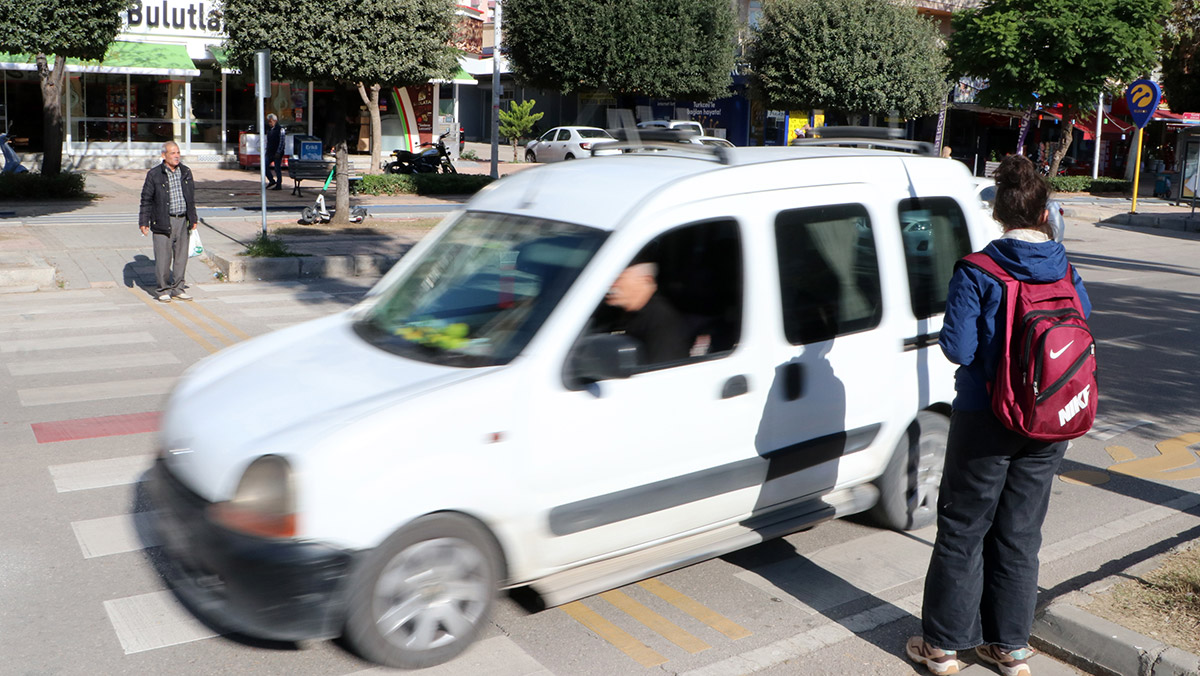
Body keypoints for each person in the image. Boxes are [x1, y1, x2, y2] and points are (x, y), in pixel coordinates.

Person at [906, 154, 1091, 676]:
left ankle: (942, 648)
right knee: (1019, 533)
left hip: (988, 417)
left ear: (999, 213)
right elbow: (1082, 323)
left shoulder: (979, 269)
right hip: (1051, 418)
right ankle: (1009, 648)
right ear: (1044, 214)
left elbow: (960, 349)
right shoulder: (1065, 267)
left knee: (964, 528)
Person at [139, 141, 198, 302]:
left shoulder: (186, 172)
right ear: (164, 156)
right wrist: (143, 221)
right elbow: (146, 199)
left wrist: (193, 217)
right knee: (163, 258)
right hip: (162, 220)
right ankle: (163, 289)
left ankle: (178, 288)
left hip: (182, 220)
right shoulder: (154, 174)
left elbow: (190, 198)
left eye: (178, 152)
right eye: (173, 153)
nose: (177, 156)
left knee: (181, 257)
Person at [599, 262, 691, 364]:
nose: (611, 285)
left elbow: (662, 371)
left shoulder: (661, 319)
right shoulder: (616, 314)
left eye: (619, 279)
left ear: (646, 280)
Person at [265, 113, 284, 190]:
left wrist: (278, 152)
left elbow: (282, 142)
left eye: (271, 121)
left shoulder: (280, 129)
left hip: (277, 152)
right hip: (270, 152)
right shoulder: (269, 130)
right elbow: (268, 141)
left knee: (277, 168)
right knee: (264, 166)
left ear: (275, 121)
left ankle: (279, 185)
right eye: (269, 121)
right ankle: (271, 180)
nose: (270, 123)